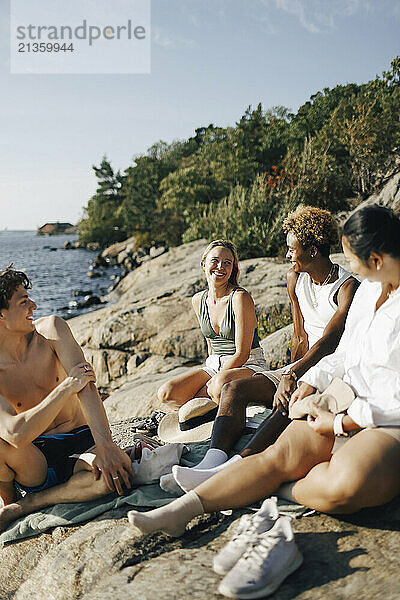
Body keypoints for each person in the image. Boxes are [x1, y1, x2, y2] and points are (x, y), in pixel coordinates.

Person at [127, 204, 400, 540]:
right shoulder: (370, 290)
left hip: (387, 419)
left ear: (375, 260)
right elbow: (346, 352)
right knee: (275, 457)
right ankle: (180, 511)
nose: (348, 264)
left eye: (351, 257)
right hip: (344, 395)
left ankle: (283, 489)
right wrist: (311, 381)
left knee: (344, 486)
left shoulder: (355, 288)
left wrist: (341, 422)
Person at [171, 207, 359, 491]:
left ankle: (234, 469)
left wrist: (295, 377)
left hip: (334, 371)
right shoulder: (294, 279)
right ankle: (210, 463)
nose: (287, 255)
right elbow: (299, 338)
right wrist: (285, 375)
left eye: (291, 249)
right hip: (300, 368)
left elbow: (328, 342)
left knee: (287, 407)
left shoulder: (347, 287)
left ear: (311, 250)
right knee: (234, 390)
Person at [0, 266, 133, 532]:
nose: (34, 306)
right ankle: (9, 503)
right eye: (24, 302)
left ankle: (25, 506)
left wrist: (105, 445)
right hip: (36, 461)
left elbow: (87, 387)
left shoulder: (51, 331)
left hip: (82, 442)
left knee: (115, 475)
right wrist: (65, 388)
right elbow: (15, 435)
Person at [157, 240, 267, 411]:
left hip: (248, 365)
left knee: (218, 386)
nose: (220, 267)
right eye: (215, 260)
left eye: (227, 263)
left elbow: (242, 354)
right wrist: (209, 378)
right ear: (204, 264)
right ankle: (209, 407)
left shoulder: (240, 298)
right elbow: (211, 347)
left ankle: (208, 409)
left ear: (233, 269)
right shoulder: (198, 300)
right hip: (215, 366)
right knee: (167, 393)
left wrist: (209, 384)